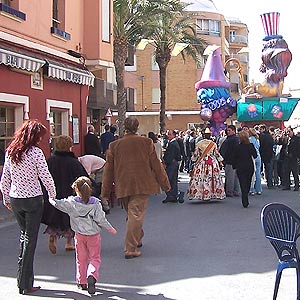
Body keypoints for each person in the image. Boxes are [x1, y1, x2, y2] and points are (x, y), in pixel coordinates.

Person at [0, 119, 56, 295]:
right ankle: (24, 282)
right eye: (39, 136)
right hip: (33, 199)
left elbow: (4, 179)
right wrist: (53, 195)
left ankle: (23, 280)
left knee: (24, 237)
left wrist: (6, 199)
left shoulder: (11, 152)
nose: (40, 139)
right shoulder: (36, 153)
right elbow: (45, 176)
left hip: (16, 199)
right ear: (34, 136)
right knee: (30, 241)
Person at [101, 117, 170, 259]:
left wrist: (105, 192)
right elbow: (157, 166)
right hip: (143, 184)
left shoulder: (114, 145)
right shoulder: (146, 143)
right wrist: (165, 184)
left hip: (123, 185)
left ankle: (137, 238)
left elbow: (108, 171)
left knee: (132, 215)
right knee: (135, 215)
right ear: (137, 127)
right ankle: (130, 248)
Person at [49, 176, 117, 295]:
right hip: (93, 235)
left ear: (76, 189)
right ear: (90, 189)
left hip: (79, 235)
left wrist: (51, 198)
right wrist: (110, 229)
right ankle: (92, 275)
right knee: (94, 258)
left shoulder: (71, 202)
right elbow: (101, 220)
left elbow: (58, 204)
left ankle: (82, 282)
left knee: (81, 259)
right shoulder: (96, 204)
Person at [42, 135, 89, 254]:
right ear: (70, 147)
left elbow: (44, 177)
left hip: (54, 193)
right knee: (70, 217)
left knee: (54, 216)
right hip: (70, 193)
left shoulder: (50, 161)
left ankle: (52, 236)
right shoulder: (73, 162)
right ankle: (69, 242)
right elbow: (82, 178)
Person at [187, 128, 225, 201]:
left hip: (202, 162)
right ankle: (211, 194)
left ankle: (201, 194)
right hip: (212, 163)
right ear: (210, 135)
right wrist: (221, 161)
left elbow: (195, 154)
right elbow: (217, 154)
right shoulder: (213, 144)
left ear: (203, 135)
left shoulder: (199, 143)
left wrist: (193, 160)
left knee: (201, 178)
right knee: (212, 178)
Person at [232, 130, 257, 208]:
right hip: (249, 166)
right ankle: (246, 194)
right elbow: (255, 155)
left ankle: (244, 197)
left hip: (240, 166)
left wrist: (234, 166)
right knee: (248, 182)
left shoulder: (237, 147)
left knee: (242, 182)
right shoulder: (251, 145)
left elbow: (234, 157)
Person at [162, 129, 183, 203]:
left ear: (174, 135)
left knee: (168, 180)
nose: (168, 135)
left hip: (171, 164)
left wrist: (165, 162)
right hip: (174, 164)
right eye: (168, 134)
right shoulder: (173, 143)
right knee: (173, 180)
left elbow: (170, 156)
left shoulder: (173, 144)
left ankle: (170, 195)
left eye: (170, 134)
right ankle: (173, 195)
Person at [220, 125, 240, 197]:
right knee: (235, 177)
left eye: (229, 130)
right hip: (236, 161)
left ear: (234, 131)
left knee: (230, 177)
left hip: (229, 160)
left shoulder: (229, 140)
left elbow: (224, 150)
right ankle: (236, 191)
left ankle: (229, 191)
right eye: (227, 130)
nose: (228, 132)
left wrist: (222, 159)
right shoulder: (237, 139)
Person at [259, 124, 274, 189]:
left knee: (259, 170)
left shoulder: (261, 136)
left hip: (262, 154)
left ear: (264, 129)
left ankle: (258, 185)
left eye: (261, 129)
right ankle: (270, 184)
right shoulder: (269, 136)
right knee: (269, 170)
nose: (260, 131)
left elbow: (260, 145)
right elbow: (272, 144)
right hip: (269, 154)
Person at [249, 128, 262, 195]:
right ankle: (259, 189)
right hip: (258, 156)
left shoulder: (250, 139)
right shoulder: (257, 139)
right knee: (258, 173)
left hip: (252, 157)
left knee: (252, 174)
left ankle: (251, 189)